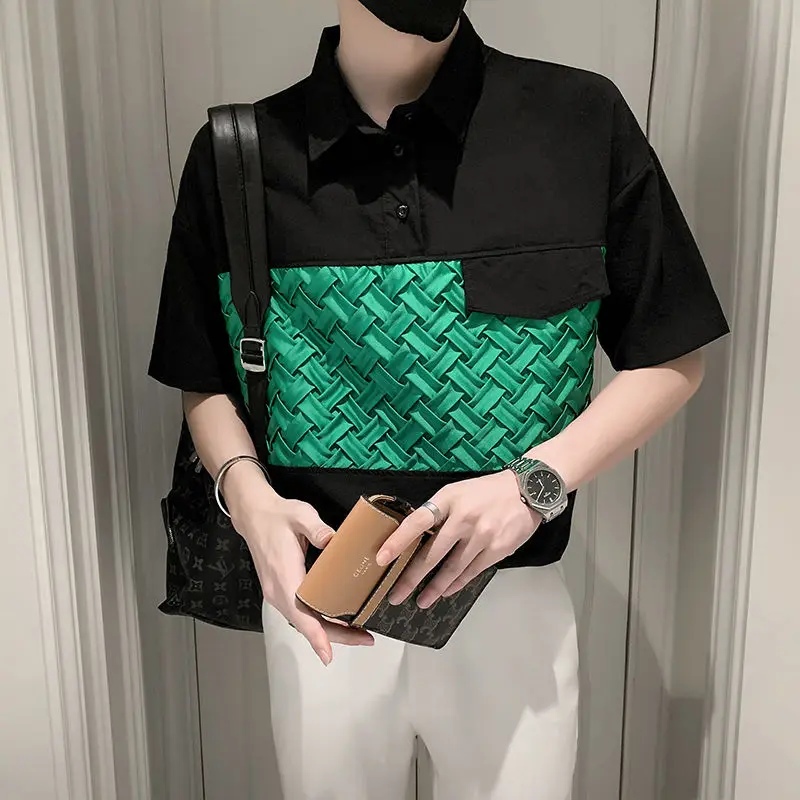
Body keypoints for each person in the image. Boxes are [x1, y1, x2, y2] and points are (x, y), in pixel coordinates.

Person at [148, 1, 730, 798]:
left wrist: (532, 485)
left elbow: (670, 354)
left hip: (510, 600)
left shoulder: (577, 120)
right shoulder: (240, 154)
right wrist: (250, 504)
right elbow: (205, 373)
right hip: (323, 599)